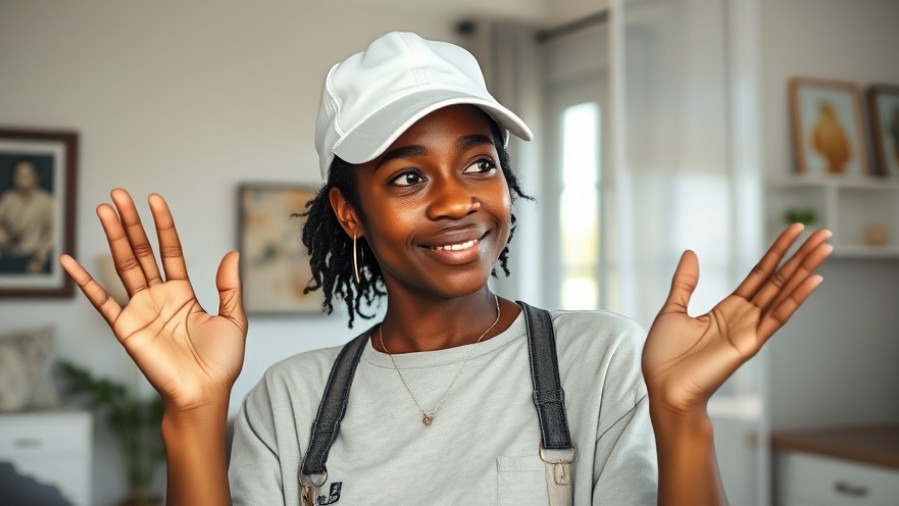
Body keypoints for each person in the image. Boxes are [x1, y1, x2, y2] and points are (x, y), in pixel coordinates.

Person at [60, 31, 832, 505]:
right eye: (407, 176)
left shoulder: (603, 359)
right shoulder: (288, 402)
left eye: (479, 163)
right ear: (349, 213)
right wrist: (192, 416)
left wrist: (684, 420)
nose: (459, 200)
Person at [0, 160, 55, 274]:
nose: (23, 179)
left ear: (36, 177)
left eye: (27, 175)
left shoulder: (47, 201)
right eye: (19, 175)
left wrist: (42, 255)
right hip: (10, 253)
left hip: (35, 255)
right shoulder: (8, 199)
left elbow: (54, 233)